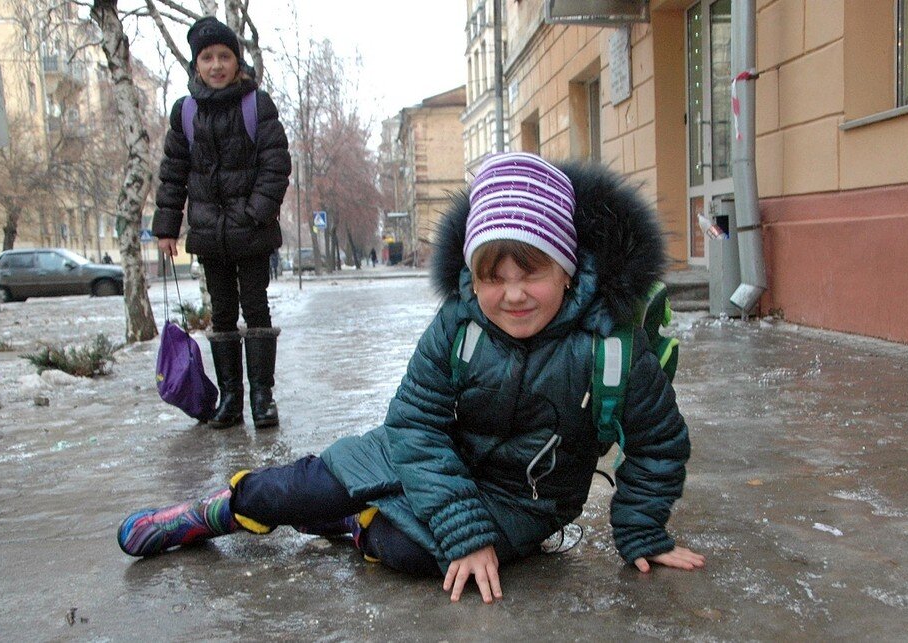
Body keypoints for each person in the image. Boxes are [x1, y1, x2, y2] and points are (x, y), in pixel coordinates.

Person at [118, 153, 705, 603]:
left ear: (568, 268)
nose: (514, 294)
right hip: (418, 456)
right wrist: (456, 520)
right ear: (471, 277)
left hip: (520, 503)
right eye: (492, 277)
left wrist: (641, 532)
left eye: (532, 273)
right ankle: (215, 512)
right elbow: (415, 424)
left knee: (412, 550)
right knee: (302, 484)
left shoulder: (611, 351)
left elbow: (658, 444)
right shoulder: (458, 327)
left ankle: (355, 521)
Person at [151, 16, 291, 430]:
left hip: (251, 233)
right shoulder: (185, 112)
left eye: (224, 57)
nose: (216, 65)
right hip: (209, 234)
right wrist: (166, 226)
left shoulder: (256, 105)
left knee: (257, 309)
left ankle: (262, 399)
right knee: (223, 314)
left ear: (237, 62)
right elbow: (173, 171)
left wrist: (255, 214)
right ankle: (230, 400)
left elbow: (275, 165)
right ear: (196, 65)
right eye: (207, 58)